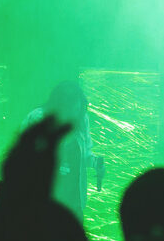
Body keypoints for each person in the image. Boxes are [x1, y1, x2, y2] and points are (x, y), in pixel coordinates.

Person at [22, 80, 104, 221]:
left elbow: (85, 155)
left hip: (74, 203)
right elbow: (23, 158)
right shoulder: (38, 119)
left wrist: (97, 164)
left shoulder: (82, 119)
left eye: (77, 108)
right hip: (42, 202)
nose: (74, 113)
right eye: (69, 108)